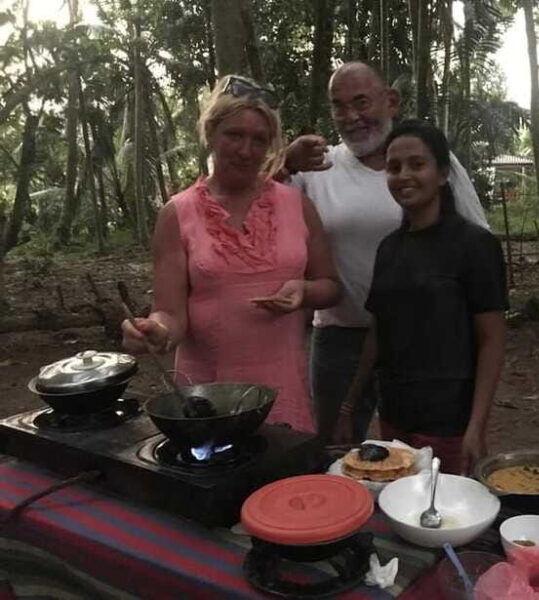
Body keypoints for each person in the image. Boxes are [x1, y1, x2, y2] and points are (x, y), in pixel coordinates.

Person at [121, 75, 340, 433]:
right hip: (206, 396)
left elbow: (330, 285)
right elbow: (170, 312)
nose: (246, 150)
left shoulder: (297, 204)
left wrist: (304, 292)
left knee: (282, 483)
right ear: (210, 133)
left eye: (259, 139)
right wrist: (156, 330)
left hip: (283, 389)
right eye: (234, 135)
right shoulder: (178, 213)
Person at [285, 61, 489, 444]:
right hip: (340, 336)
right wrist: (283, 161)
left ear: (391, 101)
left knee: (421, 450)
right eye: (339, 106)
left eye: (361, 102)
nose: (351, 117)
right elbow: (255, 200)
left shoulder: (431, 163)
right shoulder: (314, 167)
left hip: (424, 338)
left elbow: (474, 242)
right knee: (334, 447)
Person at [333, 119, 507, 474]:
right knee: (397, 503)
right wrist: (349, 407)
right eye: (394, 167)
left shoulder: (474, 245)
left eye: (417, 164)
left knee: (443, 517)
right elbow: (378, 332)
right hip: (395, 414)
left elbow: (492, 341)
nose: (403, 175)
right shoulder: (389, 249)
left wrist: (477, 426)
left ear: (442, 174)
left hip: (449, 419)